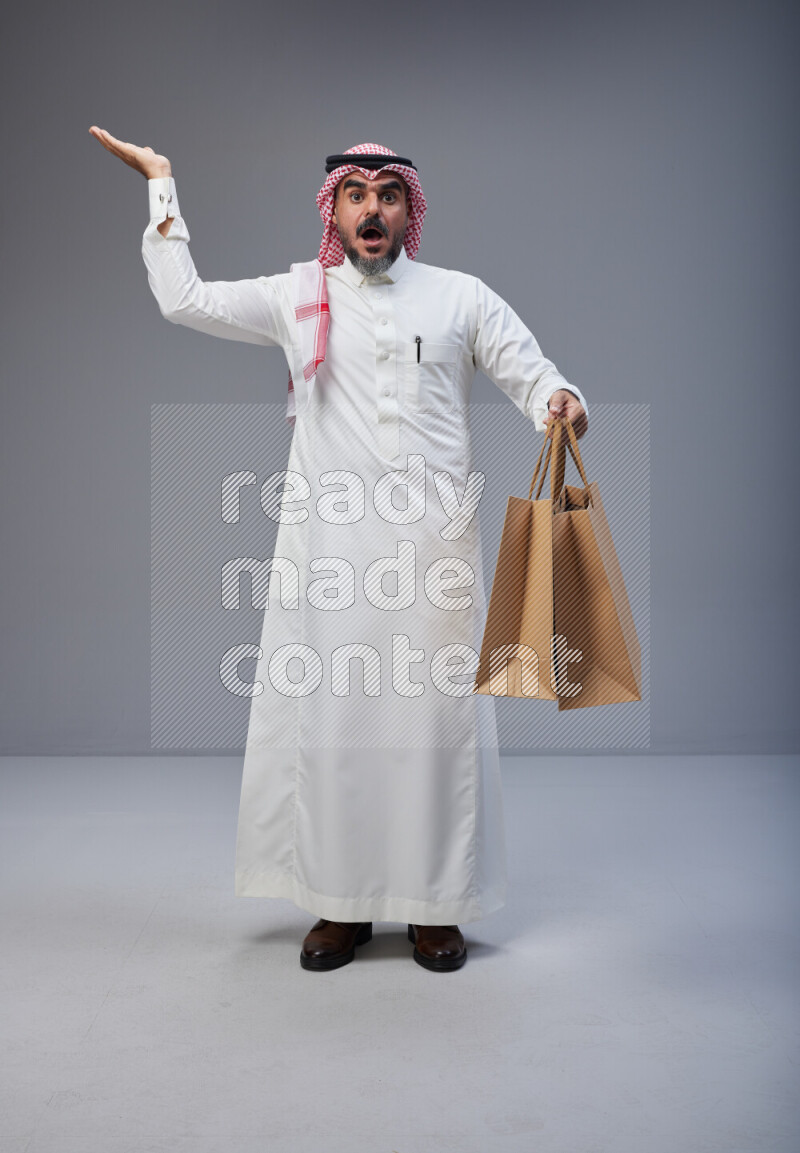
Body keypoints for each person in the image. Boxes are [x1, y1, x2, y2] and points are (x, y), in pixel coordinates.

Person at [89, 127, 589, 973]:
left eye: (387, 195)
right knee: (339, 726)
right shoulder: (298, 295)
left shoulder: (461, 297)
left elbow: (530, 370)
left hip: (435, 551)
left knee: (434, 729)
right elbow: (188, 301)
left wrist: (563, 400)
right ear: (335, 209)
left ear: (408, 210)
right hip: (331, 551)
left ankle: (435, 909)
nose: (371, 210)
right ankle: (339, 905)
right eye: (355, 195)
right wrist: (162, 187)